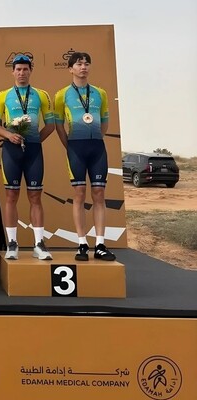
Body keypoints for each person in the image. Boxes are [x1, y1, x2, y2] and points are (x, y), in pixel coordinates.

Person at [0, 54, 55, 260]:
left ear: (30, 71)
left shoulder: (42, 95)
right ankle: (12, 244)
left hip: (33, 152)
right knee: (11, 196)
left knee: (35, 196)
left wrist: (34, 140)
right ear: (13, 72)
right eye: (18, 69)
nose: (21, 73)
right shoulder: (2, 95)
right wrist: (9, 135)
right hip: (11, 151)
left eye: (25, 69)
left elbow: (51, 125)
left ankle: (39, 244)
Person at [54, 52, 116, 261]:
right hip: (76, 147)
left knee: (99, 193)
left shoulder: (100, 93)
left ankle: (100, 244)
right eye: (79, 64)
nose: (83, 67)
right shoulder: (62, 94)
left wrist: (96, 137)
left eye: (87, 64)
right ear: (70, 69)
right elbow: (59, 125)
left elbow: (104, 121)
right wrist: (69, 145)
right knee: (79, 194)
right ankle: (82, 243)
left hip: (97, 147)